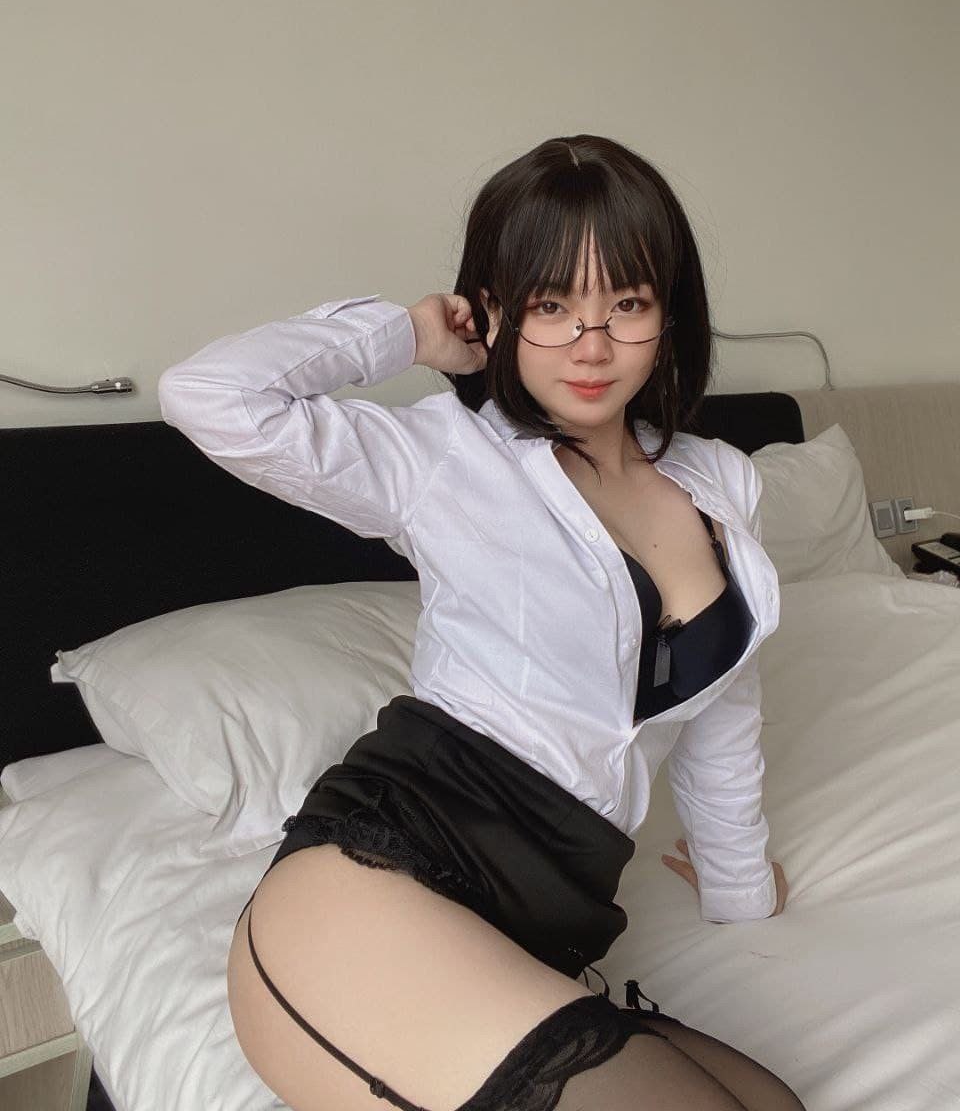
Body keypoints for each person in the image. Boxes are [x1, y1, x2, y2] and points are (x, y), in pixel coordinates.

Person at [159, 134, 805, 1110]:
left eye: (627, 304)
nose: (592, 346)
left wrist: (739, 883)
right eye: (551, 306)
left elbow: (720, 707)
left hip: (539, 930)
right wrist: (407, 334)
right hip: (373, 883)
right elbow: (209, 396)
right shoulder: (446, 460)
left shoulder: (720, 481)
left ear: (669, 313)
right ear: (495, 311)